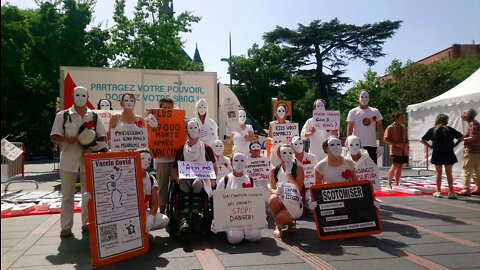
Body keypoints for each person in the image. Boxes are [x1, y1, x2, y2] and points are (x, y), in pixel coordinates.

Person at [50, 86, 108, 238]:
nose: (80, 97)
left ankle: (87, 223)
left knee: (87, 194)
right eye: (77, 94)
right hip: (68, 160)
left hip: (88, 161)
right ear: (72, 95)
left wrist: (96, 143)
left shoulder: (94, 116)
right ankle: (66, 227)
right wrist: (65, 139)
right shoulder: (62, 115)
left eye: (84, 95)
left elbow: (103, 136)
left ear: (88, 96)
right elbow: (53, 136)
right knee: (67, 196)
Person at [170, 120, 218, 232]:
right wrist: (177, 178)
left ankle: (196, 214)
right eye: (190, 128)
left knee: (197, 183)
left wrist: (213, 179)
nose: (193, 130)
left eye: (195, 128)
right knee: (184, 184)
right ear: (186, 131)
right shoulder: (181, 150)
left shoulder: (206, 148)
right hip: (186, 179)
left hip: (202, 179)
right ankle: (184, 217)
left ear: (199, 130)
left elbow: (214, 167)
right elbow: (173, 170)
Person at [215, 153, 262, 244]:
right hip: (231, 218)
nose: (239, 163)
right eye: (236, 160)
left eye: (242, 160)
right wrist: (217, 219)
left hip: (248, 217)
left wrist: (260, 217)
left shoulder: (250, 180)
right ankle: (235, 233)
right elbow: (218, 200)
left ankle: (245, 232)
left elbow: (256, 200)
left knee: (255, 236)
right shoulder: (225, 179)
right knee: (235, 238)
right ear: (231, 163)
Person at [421, 114, 463, 199]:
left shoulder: (433, 130)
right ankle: (451, 192)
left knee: (438, 173)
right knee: (449, 174)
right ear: (446, 121)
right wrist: (455, 145)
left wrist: (430, 147)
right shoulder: (450, 130)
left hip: (437, 153)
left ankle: (438, 191)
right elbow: (461, 137)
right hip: (449, 153)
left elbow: (422, 140)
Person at [269, 143, 304, 238]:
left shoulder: (299, 168)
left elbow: (298, 188)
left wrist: (289, 173)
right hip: (280, 198)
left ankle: (289, 222)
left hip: (293, 200)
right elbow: (271, 188)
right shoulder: (274, 170)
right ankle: (278, 226)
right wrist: (276, 192)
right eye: (284, 153)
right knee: (272, 199)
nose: (287, 155)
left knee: (281, 217)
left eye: (290, 152)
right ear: (279, 154)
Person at [346, 90, 384, 164]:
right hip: (357, 145)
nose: (364, 99)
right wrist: (348, 143)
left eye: (366, 97)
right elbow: (349, 129)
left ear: (369, 98)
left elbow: (380, 128)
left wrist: (381, 145)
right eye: (362, 97)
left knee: (371, 168)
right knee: (357, 167)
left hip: (372, 145)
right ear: (358, 99)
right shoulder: (353, 112)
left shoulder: (375, 111)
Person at [138, 149, 170, 233]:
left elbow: (155, 203)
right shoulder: (130, 177)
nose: (146, 161)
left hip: (144, 212)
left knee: (164, 219)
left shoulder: (151, 179)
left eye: (149, 159)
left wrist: (150, 218)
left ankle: (143, 232)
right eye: (142, 158)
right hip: (130, 215)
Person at [153, 97, 175, 214]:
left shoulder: (178, 119)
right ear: (160, 108)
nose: (167, 110)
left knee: (176, 186)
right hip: (161, 159)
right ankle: (162, 212)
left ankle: (175, 211)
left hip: (175, 158)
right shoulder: (154, 120)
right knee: (162, 187)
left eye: (169, 108)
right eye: (164, 108)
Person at [291, 136, 317, 214]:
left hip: (310, 186)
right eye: (295, 144)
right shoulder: (290, 159)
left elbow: (317, 172)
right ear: (292, 145)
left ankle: (307, 205)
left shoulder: (312, 157)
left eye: (300, 143)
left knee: (313, 206)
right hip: (296, 188)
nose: (298, 145)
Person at [384, 112, 409, 189]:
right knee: (394, 165)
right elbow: (385, 138)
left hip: (403, 150)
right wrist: (396, 144)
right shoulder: (390, 128)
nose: (403, 119)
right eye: (401, 118)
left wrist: (406, 144)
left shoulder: (404, 128)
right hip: (395, 150)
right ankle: (389, 182)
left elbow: (406, 138)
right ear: (396, 119)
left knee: (400, 166)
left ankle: (397, 182)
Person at [458, 109, 480, 196]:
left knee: (466, 169)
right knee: (476, 170)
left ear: (467, 116)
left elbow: (474, 137)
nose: (462, 115)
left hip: (472, 150)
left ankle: (466, 188)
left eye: (463, 114)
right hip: (477, 150)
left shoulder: (473, 124)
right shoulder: (475, 123)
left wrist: (464, 139)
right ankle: (479, 187)